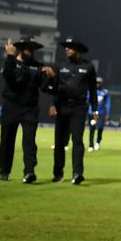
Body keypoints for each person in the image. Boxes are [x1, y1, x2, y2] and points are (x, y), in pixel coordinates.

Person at [0, 37, 55, 183]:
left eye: (32, 48)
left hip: (30, 108)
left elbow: (45, 88)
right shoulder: (12, 62)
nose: (30, 50)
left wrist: (51, 77)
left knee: (29, 140)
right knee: (7, 139)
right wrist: (10, 56)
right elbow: (8, 76)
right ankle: (4, 171)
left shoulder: (38, 67)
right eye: (27, 47)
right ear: (20, 48)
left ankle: (29, 172)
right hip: (11, 105)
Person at [45, 38, 98, 184]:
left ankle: (77, 173)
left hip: (79, 108)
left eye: (70, 47)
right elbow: (53, 87)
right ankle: (58, 173)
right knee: (60, 142)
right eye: (66, 47)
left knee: (77, 140)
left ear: (78, 50)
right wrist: (52, 105)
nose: (67, 49)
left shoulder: (89, 67)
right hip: (61, 107)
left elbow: (93, 91)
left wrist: (95, 110)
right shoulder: (59, 65)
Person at [88, 78, 110, 151]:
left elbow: (108, 103)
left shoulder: (105, 92)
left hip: (101, 113)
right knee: (92, 129)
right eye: (96, 83)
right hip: (93, 112)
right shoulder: (91, 91)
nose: (97, 84)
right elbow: (87, 100)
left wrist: (107, 114)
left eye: (99, 83)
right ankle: (91, 145)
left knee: (100, 128)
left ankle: (97, 142)